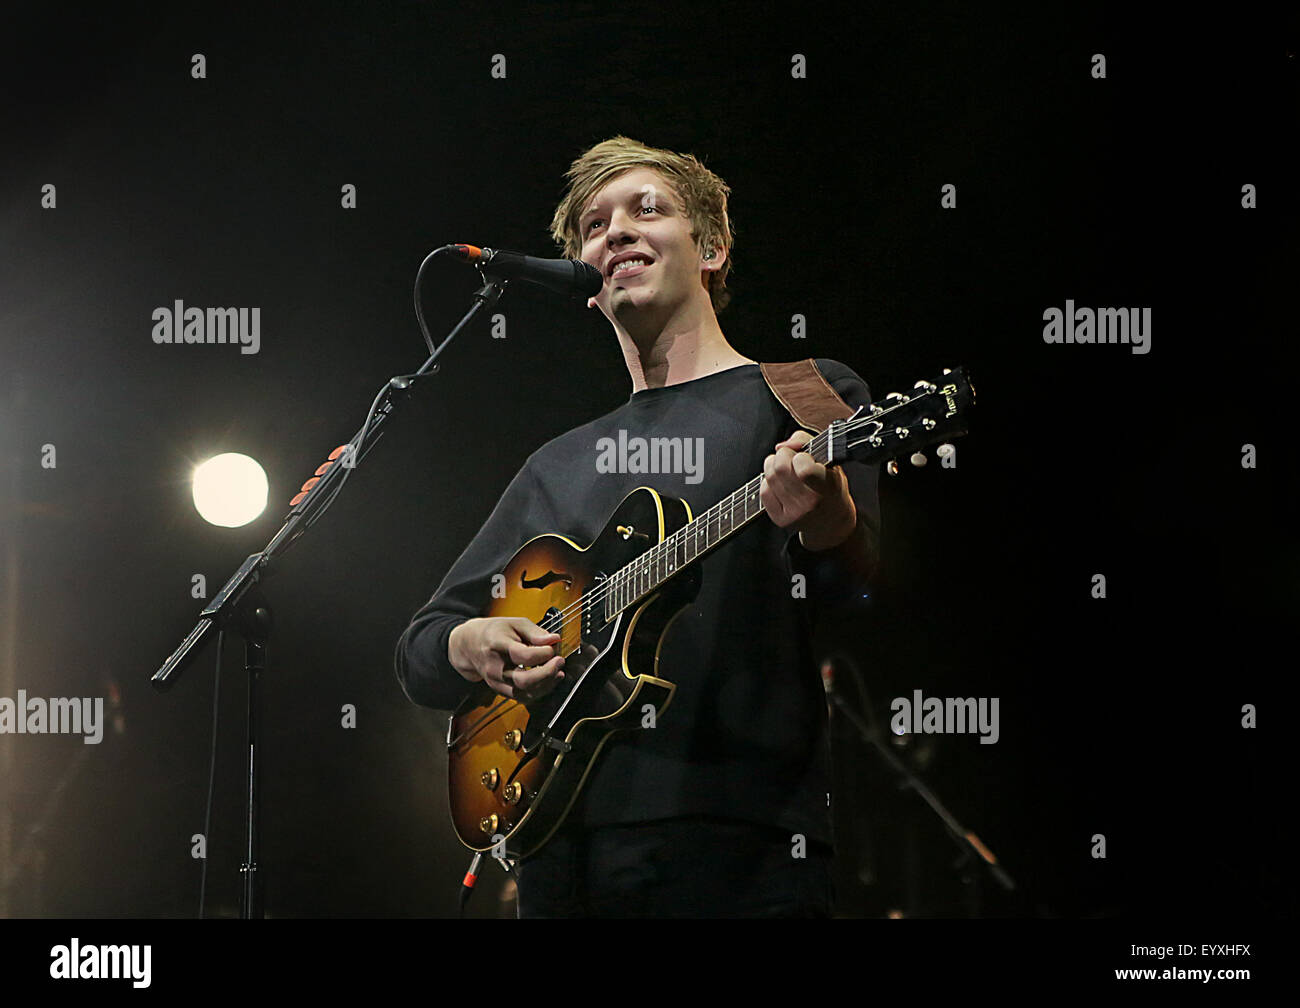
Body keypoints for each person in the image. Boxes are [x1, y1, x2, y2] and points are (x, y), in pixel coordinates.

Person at [395, 135, 880, 917]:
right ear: (587, 283)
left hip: (741, 841)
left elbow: (858, 597)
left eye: (645, 210)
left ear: (713, 246)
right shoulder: (556, 463)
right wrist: (468, 642)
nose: (615, 231)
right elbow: (422, 649)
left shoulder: (804, 394)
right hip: (561, 848)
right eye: (594, 225)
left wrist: (826, 516)